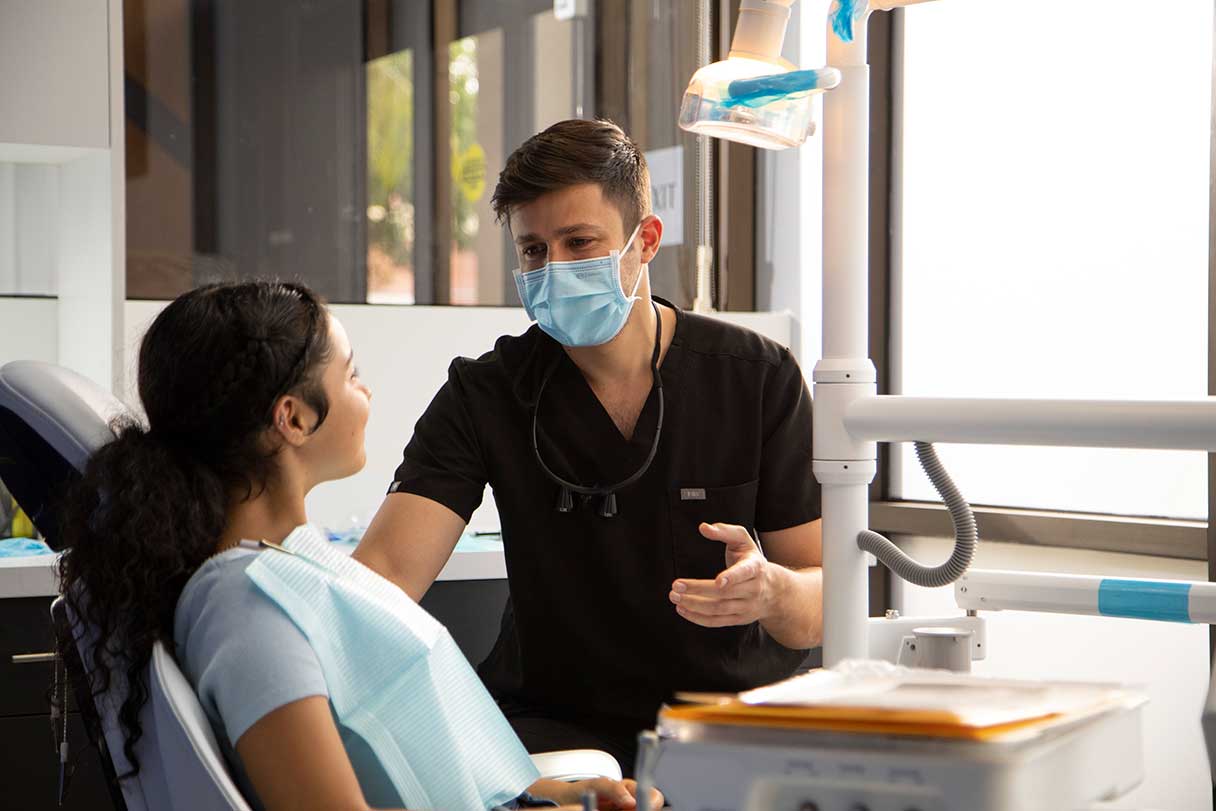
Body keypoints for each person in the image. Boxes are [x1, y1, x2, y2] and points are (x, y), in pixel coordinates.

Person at [57, 281, 659, 811]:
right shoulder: (247, 611)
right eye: (351, 375)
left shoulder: (277, 572)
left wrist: (551, 798)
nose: (365, 393)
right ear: (292, 419)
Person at [354, 119, 824, 776]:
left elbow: (817, 604)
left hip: (726, 725)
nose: (556, 269)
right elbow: (384, 577)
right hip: (552, 729)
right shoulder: (486, 394)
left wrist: (772, 592)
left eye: (580, 242)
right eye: (534, 251)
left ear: (646, 241)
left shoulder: (756, 378)